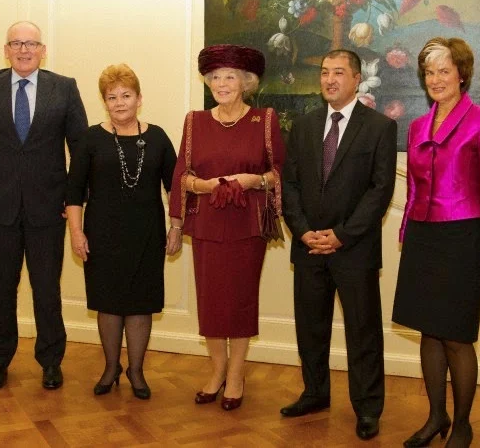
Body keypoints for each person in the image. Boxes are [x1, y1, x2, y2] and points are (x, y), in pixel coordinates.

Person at [392, 37, 480, 448]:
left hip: (464, 237)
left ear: (461, 74)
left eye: (444, 71)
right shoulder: (416, 126)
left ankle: (463, 425)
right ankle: (436, 417)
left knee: (456, 336)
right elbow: (414, 185)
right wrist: (407, 232)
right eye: (429, 72)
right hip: (423, 235)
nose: (436, 79)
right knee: (429, 332)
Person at [0, 21, 88, 390]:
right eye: (16, 43)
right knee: (1, 289)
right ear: (6, 49)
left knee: (47, 289)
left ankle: (50, 361)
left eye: (31, 43)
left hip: (49, 208)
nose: (24, 49)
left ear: (43, 50)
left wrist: (75, 200)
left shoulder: (64, 88)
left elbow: (80, 150)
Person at [280, 49, 397, 441]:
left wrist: (343, 234)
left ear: (357, 78)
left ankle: (367, 408)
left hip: (354, 248)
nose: (330, 79)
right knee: (311, 328)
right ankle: (315, 393)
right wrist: (301, 230)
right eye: (325, 72)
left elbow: (380, 191)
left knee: (363, 332)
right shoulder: (304, 126)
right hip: (309, 245)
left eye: (339, 73)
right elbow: (290, 185)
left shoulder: (379, 127)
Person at [168, 44, 285, 411]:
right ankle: (217, 372)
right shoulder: (194, 121)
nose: (221, 83)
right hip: (207, 225)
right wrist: (200, 188)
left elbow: (280, 173)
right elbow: (180, 177)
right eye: (215, 77)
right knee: (212, 302)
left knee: (240, 301)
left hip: (247, 227)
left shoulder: (264, 120)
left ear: (245, 81)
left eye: (229, 76)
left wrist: (254, 181)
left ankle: (236, 374)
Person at [66, 64, 179, 398]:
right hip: (101, 234)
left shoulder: (157, 137)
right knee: (109, 302)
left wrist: (176, 227)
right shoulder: (90, 138)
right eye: (111, 97)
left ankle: (137, 371)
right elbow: (74, 192)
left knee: (141, 304)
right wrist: (76, 231)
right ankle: (111, 366)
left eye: (125, 95)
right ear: (104, 102)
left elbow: (176, 188)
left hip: (146, 234)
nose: (119, 102)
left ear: (139, 99)